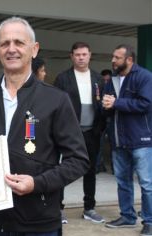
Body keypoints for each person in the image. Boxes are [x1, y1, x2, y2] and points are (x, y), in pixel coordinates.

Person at [0, 16, 89, 236]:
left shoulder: (56, 100)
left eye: (19, 42)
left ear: (34, 50)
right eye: (5, 44)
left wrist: (37, 183)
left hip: (39, 222)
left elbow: (78, 161)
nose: (11, 49)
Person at [103, 44, 152, 236]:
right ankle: (127, 216)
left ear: (129, 60)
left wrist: (116, 103)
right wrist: (105, 105)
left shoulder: (144, 77)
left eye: (117, 57)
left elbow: (146, 104)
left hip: (141, 139)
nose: (113, 60)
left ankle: (149, 221)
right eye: (113, 57)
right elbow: (108, 102)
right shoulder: (112, 79)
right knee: (122, 181)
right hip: (118, 139)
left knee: (147, 183)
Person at [54, 42, 105, 224]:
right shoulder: (63, 78)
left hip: (92, 131)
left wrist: (100, 128)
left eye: (84, 54)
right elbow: (56, 106)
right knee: (62, 169)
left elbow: (102, 106)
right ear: (71, 56)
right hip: (69, 133)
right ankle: (58, 208)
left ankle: (89, 208)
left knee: (91, 170)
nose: (81, 58)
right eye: (77, 54)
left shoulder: (98, 79)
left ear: (90, 55)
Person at [96, 69, 113, 173]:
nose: (106, 82)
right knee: (99, 145)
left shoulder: (114, 89)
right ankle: (98, 166)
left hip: (111, 121)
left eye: (108, 80)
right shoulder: (98, 89)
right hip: (101, 122)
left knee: (114, 146)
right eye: (104, 80)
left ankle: (115, 168)